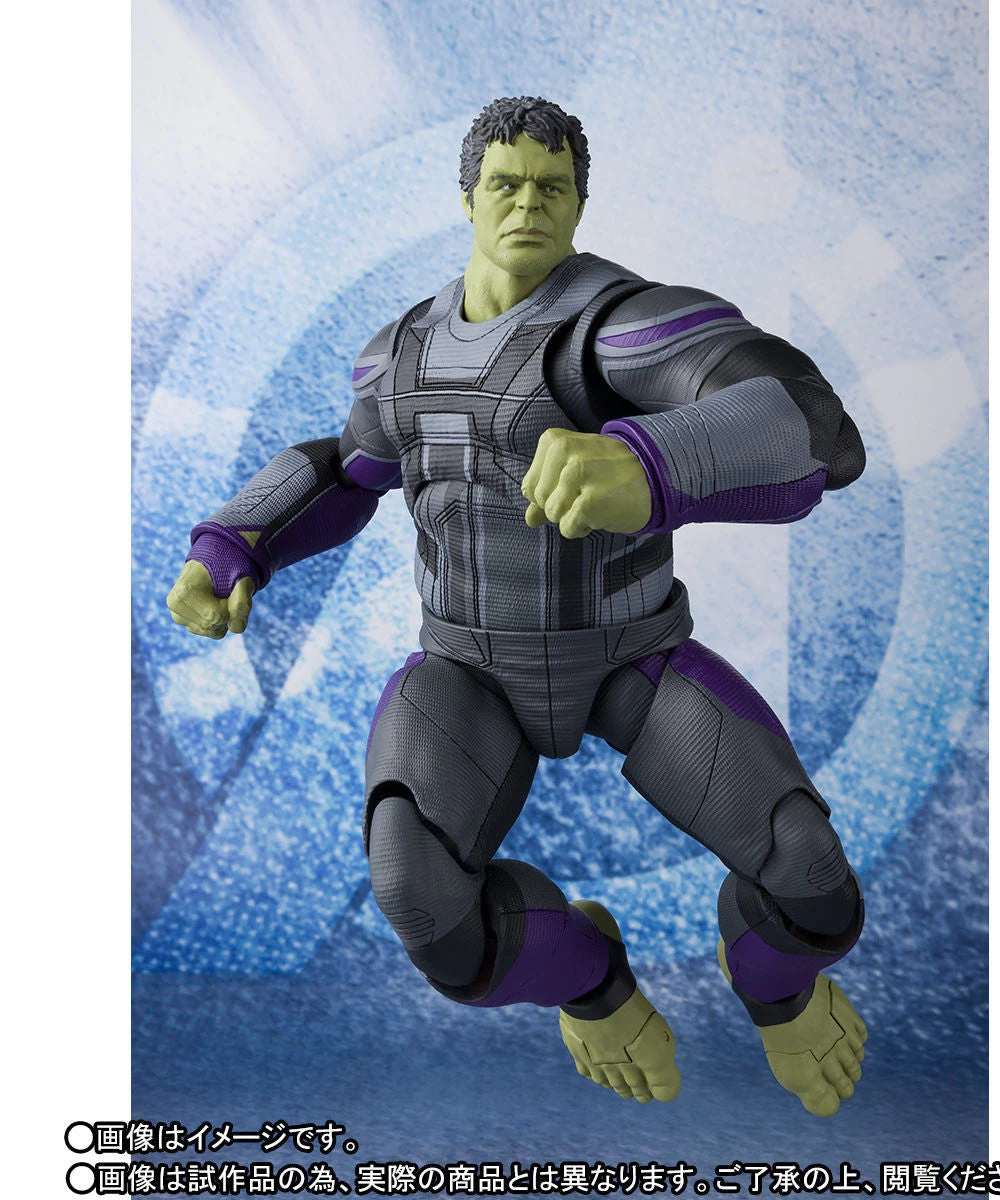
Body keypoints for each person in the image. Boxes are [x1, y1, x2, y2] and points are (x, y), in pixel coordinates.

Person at [167, 96, 868, 1116]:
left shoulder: (624, 327)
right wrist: (235, 543)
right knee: (422, 900)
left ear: (580, 202)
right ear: (468, 198)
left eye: (552, 186)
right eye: (506, 183)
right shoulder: (400, 356)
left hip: (631, 658)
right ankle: (591, 979)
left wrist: (656, 460)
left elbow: (814, 428)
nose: (528, 204)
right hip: (468, 669)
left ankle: (775, 991)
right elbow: (349, 467)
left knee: (813, 885)